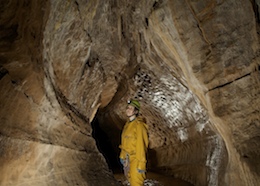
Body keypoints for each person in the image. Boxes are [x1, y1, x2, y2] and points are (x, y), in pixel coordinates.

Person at [119, 99, 149, 186]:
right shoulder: (127, 124)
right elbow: (124, 142)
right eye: (127, 108)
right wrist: (122, 155)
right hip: (128, 159)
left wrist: (141, 164)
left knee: (136, 183)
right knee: (130, 181)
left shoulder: (139, 126)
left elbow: (141, 146)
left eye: (131, 108)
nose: (128, 109)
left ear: (136, 111)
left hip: (136, 159)